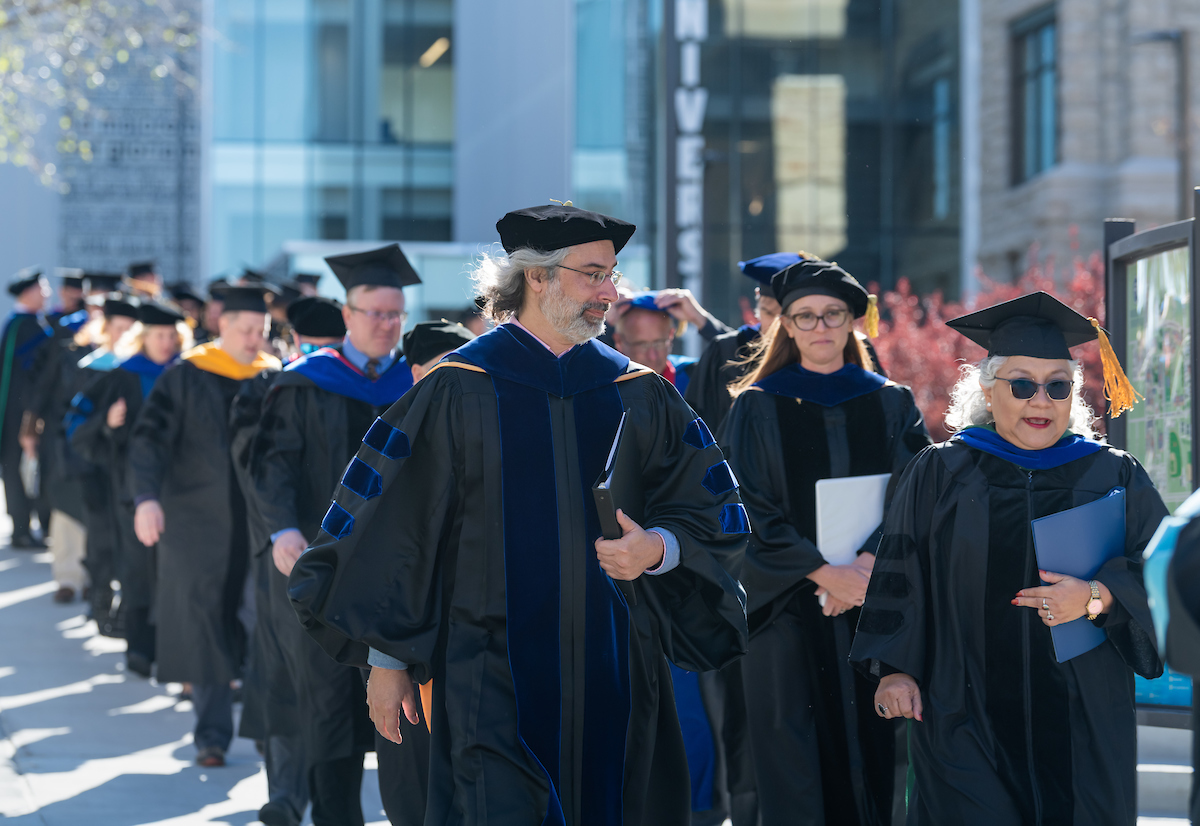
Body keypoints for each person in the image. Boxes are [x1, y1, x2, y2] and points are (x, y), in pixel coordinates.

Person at [289, 202, 750, 826]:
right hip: (486, 677)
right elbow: (398, 530)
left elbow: (711, 505)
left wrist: (660, 547)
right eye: (593, 274)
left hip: (614, 674)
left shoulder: (636, 391)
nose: (610, 292)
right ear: (537, 277)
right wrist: (388, 662)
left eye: (612, 273)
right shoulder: (459, 387)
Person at [849, 291, 1166, 824]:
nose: (1040, 401)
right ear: (989, 392)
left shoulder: (1112, 475)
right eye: (1021, 385)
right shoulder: (943, 472)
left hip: (1080, 713)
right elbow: (902, 569)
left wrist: (1096, 596)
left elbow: (1163, 571)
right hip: (963, 708)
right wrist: (895, 670)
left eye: (1057, 386)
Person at [720, 260, 928, 826]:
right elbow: (746, 507)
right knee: (794, 754)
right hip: (786, 610)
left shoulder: (890, 401)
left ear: (854, 321)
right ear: (784, 324)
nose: (820, 327)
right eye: (805, 316)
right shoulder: (757, 405)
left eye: (832, 314)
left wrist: (864, 565)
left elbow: (915, 497)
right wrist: (821, 572)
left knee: (873, 750)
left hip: (872, 603)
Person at [245, 244, 422, 826]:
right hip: (325, 573)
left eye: (395, 314)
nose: (386, 324)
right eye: (374, 313)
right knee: (327, 709)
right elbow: (271, 465)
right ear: (346, 314)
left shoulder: (419, 387)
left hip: (400, 578)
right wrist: (282, 531)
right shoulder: (303, 384)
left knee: (407, 720)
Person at [128, 286, 281, 768]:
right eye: (246, 329)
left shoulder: (275, 378)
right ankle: (212, 736)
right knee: (208, 625)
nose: (255, 339)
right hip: (199, 524)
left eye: (262, 330)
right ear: (221, 325)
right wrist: (146, 497)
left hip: (259, 522)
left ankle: (266, 729)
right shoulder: (187, 374)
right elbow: (148, 440)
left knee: (264, 627)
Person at [68, 301, 191, 676]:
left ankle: (173, 650)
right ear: (143, 337)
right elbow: (75, 425)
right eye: (158, 335)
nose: (166, 343)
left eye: (172, 336)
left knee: (176, 574)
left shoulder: (189, 374)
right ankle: (139, 648)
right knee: (138, 570)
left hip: (182, 490)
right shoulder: (121, 376)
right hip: (133, 490)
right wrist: (106, 422)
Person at [683, 253, 791, 431]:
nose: (775, 326)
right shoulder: (725, 352)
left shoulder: (812, 357)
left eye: (782, 317)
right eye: (768, 313)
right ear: (757, 298)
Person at [0, 268, 55, 549]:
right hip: (20, 412)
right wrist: (29, 418)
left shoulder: (25, 323)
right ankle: (21, 528)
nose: (47, 293)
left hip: (21, 409)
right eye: (43, 288)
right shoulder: (24, 326)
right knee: (16, 465)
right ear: (28, 292)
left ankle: (27, 526)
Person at [611, 291, 698, 395]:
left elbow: (722, 359)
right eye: (641, 345)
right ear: (619, 341)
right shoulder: (606, 385)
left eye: (659, 343)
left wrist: (700, 319)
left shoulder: (693, 377)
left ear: (670, 336)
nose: (652, 356)